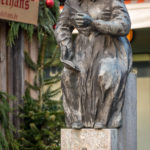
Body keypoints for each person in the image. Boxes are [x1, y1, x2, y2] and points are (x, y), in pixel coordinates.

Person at [55, 0, 132, 129]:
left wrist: (93, 23)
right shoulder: (72, 3)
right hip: (83, 49)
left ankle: (104, 118)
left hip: (109, 49)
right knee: (68, 75)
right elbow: (62, 27)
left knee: (106, 74)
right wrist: (65, 45)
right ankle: (76, 117)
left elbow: (124, 25)